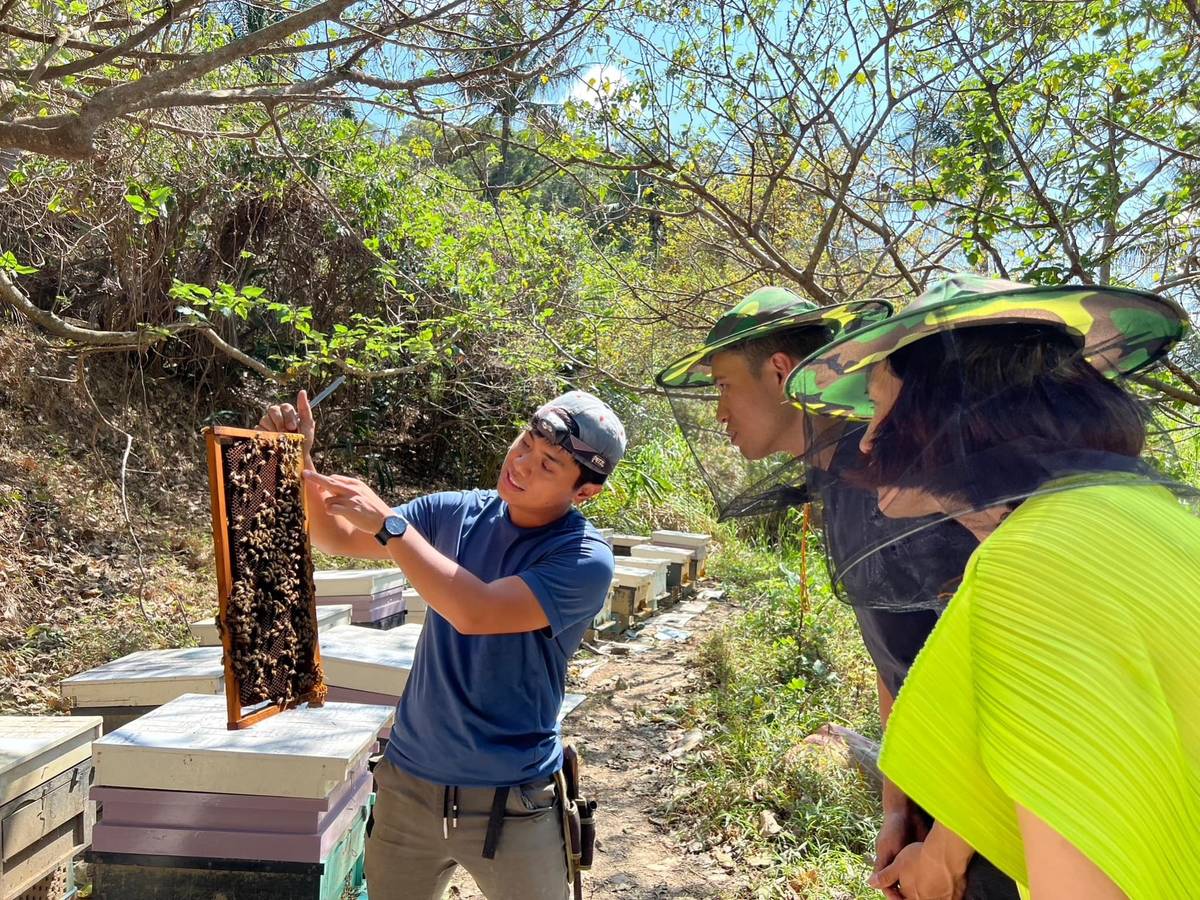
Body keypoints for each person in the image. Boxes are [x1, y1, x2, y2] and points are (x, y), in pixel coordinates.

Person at [786, 274, 1196, 899]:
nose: (867, 440)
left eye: (882, 404)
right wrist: (940, 855)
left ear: (948, 410)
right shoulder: (1150, 515)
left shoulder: (1033, 562)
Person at [655, 286, 1016, 899]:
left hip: (996, 814)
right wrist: (897, 807)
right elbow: (895, 658)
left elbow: (1002, 674)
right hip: (939, 799)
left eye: (723, 385)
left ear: (778, 371)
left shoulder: (891, 477)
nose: (718, 411)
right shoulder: (837, 477)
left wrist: (949, 853)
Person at [257, 389, 626, 900]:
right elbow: (338, 535)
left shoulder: (584, 558)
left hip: (514, 803)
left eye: (548, 463)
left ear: (583, 492)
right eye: (524, 442)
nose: (520, 463)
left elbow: (475, 611)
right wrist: (295, 457)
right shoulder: (455, 512)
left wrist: (390, 525)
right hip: (409, 786)